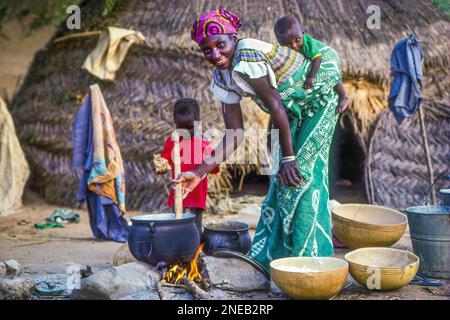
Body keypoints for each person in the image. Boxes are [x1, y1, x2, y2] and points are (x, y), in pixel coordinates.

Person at [175, 9, 345, 273]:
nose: (215, 54)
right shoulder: (223, 76)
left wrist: (289, 158)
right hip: (292, 110)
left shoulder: (246, 55)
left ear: (234, 38)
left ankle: (313, 263)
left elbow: (275, 105)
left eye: (220, 45)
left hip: (319, 96)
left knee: (302, 174)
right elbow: (235, 132)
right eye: (207, 50)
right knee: (281, 179)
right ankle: (279, 259)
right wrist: (199, 172)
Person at [161, 98, 219, 235]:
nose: (186, 131)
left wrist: (215, 156)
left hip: (197, 195)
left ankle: (193, 254)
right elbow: (164, 163)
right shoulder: (171, 142)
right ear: (175, 123)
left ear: (198, 122)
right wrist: (161, 166)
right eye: (181, 128)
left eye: (190, 127)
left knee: (195, 229)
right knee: (176, 227)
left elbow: (214, 169)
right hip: (177, 193)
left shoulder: (205, 144)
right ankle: (178, 253)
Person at [274, 15, 349, 114]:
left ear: (302, 33)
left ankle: (344, 97)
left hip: (324, 55)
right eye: (287, 44)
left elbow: (317, 59)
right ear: (280, 43)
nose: (294, 46)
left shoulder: (307, 43)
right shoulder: (281, 51)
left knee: (330, 72)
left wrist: (311, 78)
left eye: (297, 40)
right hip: (310, 59)